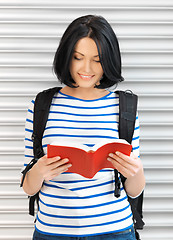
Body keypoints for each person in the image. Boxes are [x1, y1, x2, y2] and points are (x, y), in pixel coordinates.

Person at [22, 15, 145, 240]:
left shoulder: (125, 107)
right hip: (53, 232)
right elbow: (28, 188)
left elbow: (134, 190)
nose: (86, 68)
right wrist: (39, 171)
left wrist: (136, 171)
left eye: (97, 60)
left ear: (108, 60)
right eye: (78, 58)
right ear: (66, 57)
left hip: (114, 230)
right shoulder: (41, 105)